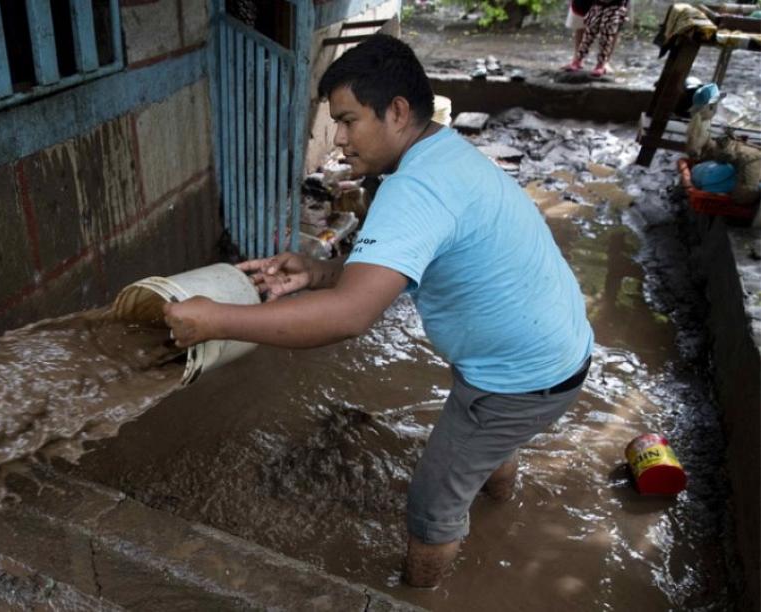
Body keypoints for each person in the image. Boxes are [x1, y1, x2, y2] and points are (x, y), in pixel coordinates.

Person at [162, 34, 594, 588]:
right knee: (487, 443)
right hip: (553, 351)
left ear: (396, 111)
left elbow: (349, 316)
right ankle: (499, 502)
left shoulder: (413, 190)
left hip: (517, 380)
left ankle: (418, 594)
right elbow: (375, 276)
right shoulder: (448, 154)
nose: (338, 140)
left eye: (347, 121)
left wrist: (215, 320)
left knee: (432, 504)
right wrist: (319, 271)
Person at [563, 0, 629, 76]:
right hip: (596, 5)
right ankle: (577, 60)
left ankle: (603, 64)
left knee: (608, 32)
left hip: (615, 6)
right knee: (589, 30)